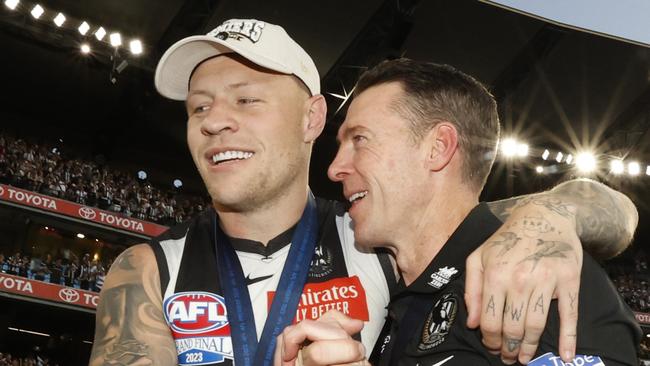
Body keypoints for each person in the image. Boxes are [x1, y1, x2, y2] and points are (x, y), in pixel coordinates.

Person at [90, 19, 637, 366]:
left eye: (246, 100)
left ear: (311, 119)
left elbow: (605, 210)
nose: (214, 122)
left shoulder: (381, 238)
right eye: (199, 107)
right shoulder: (146, 268)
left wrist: (548, 216)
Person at [276, 59, 640, 366]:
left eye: (359, 140)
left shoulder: (533, 273)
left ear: (438, 148)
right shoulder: (397, 294)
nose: (335, 168)